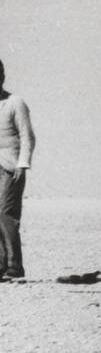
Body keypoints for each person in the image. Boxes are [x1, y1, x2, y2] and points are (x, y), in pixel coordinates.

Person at [0, 59, 36, 281]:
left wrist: (23, 164)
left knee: (6, 214)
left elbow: (27, 136)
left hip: (11, 168)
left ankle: (14, 267)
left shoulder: (15, 103)